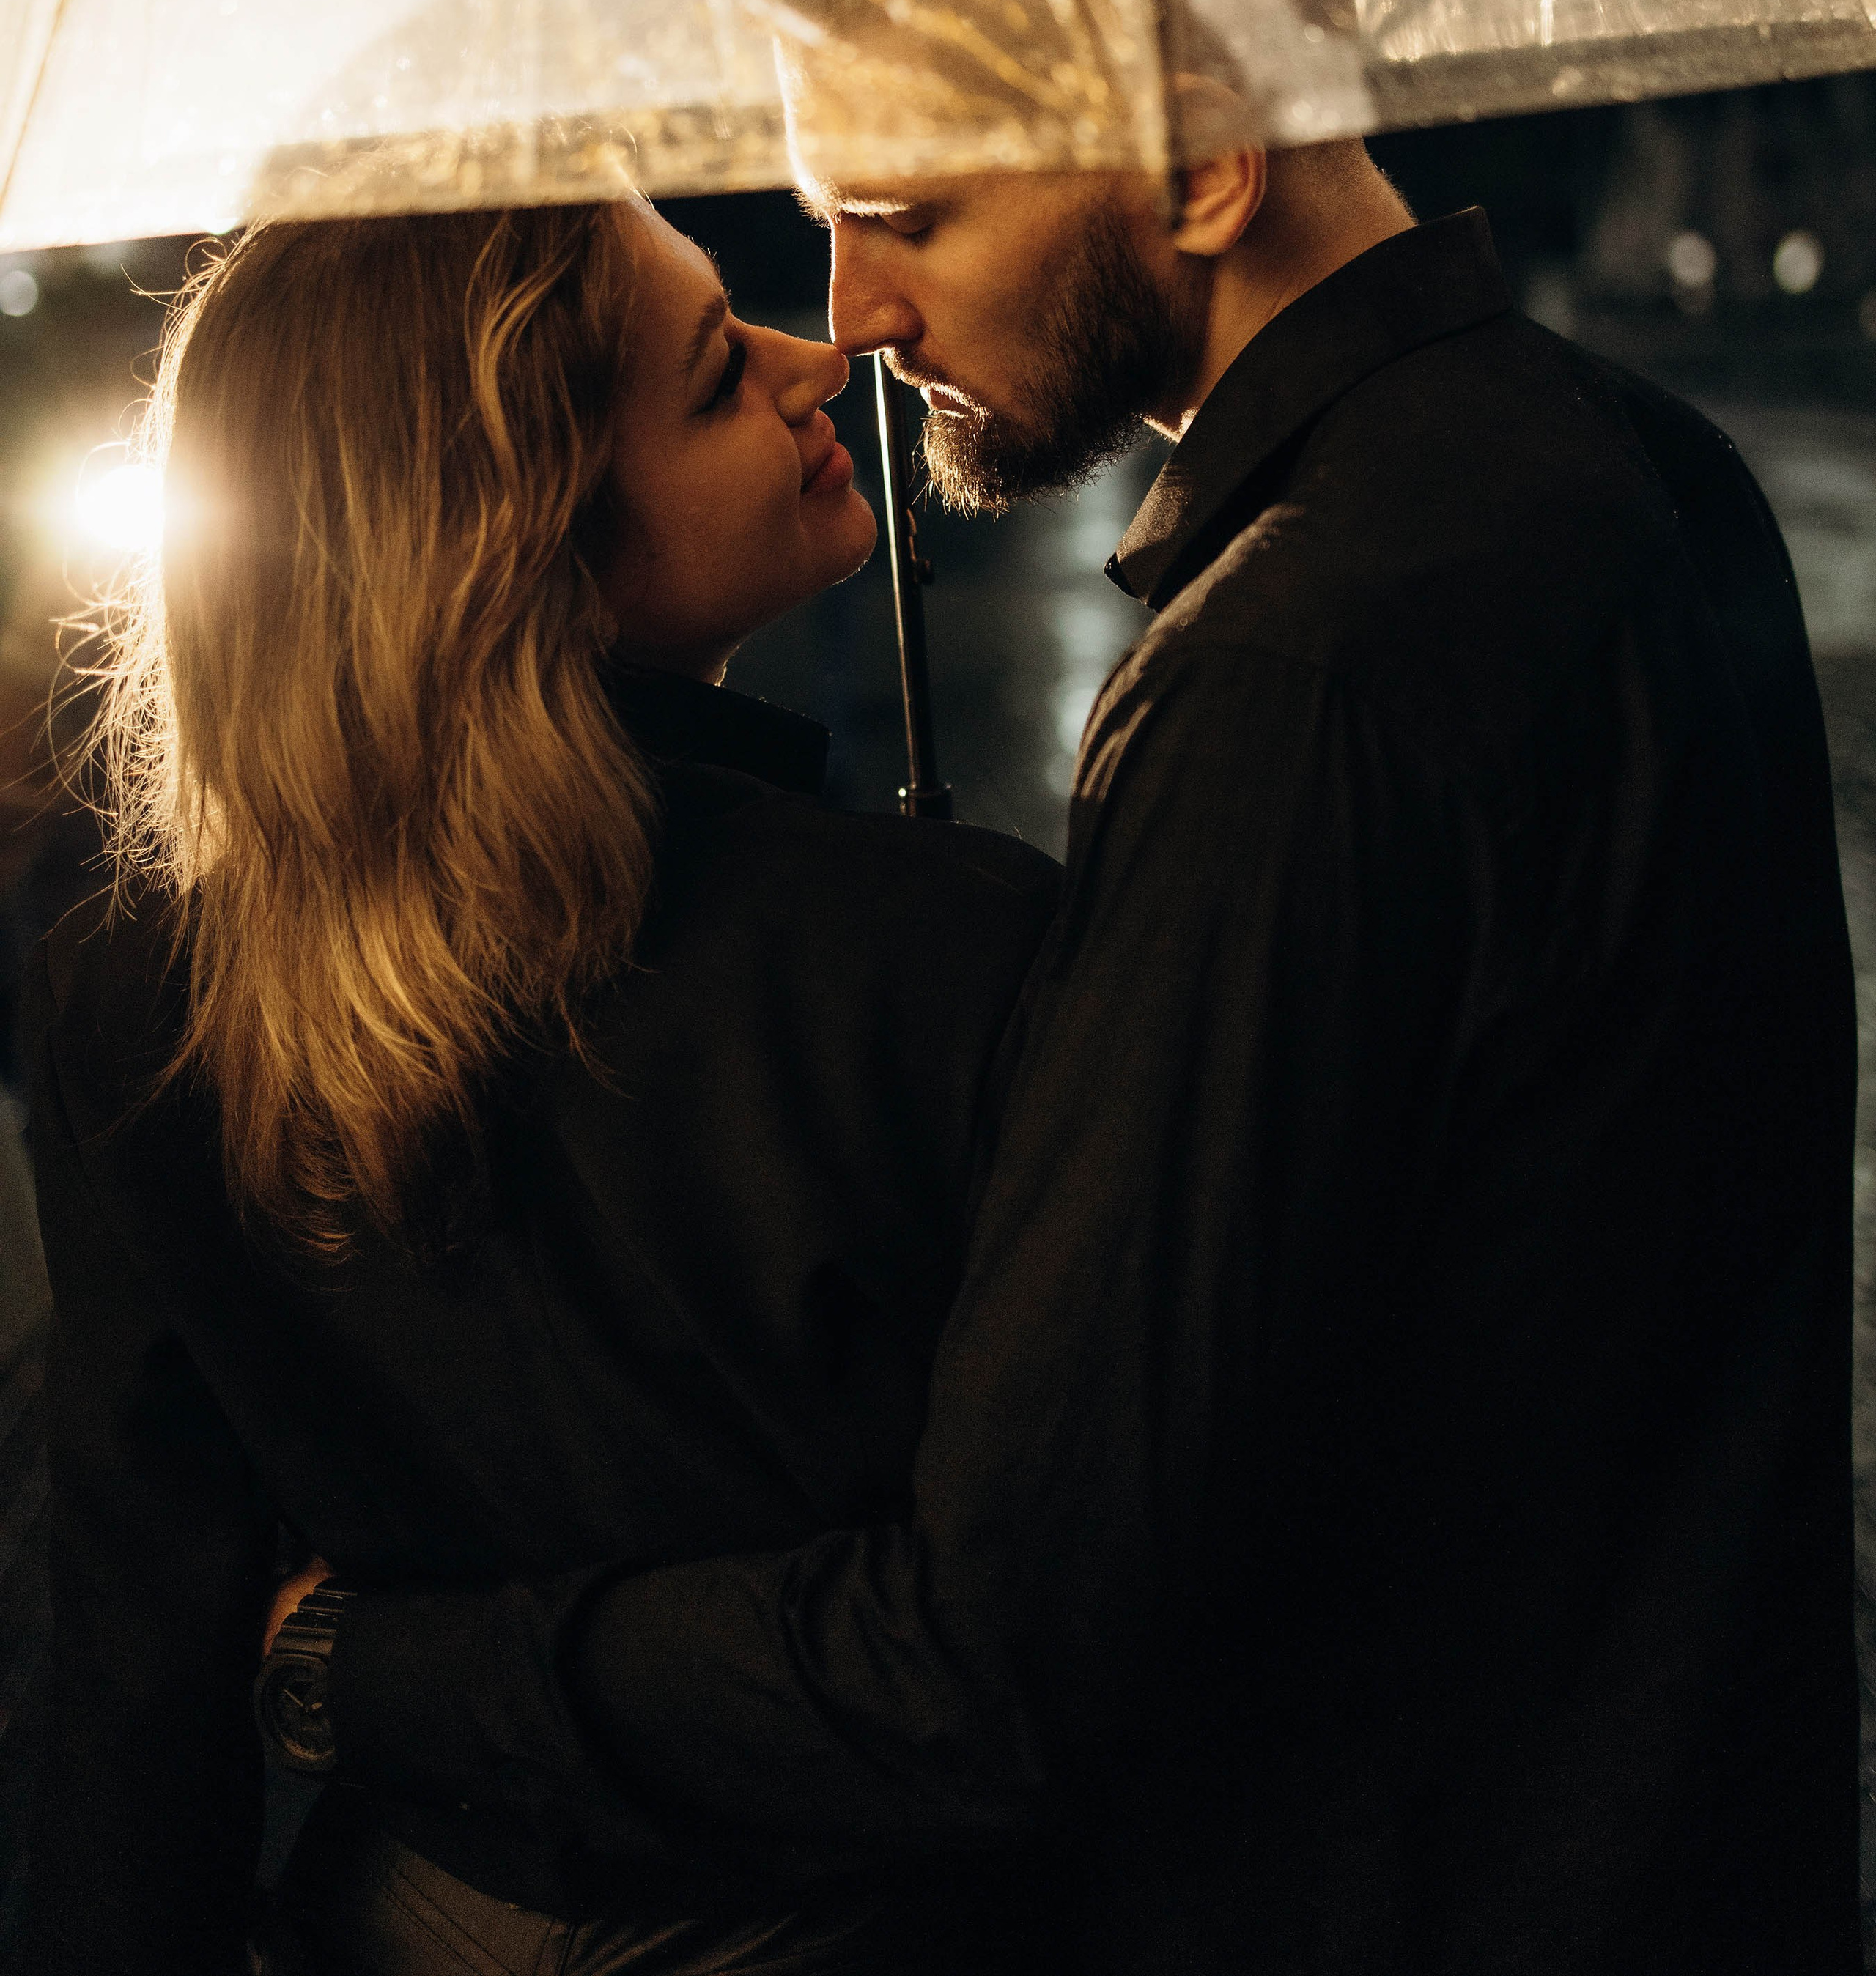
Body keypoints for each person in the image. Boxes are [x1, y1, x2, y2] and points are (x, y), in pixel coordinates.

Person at [280, 134, 1858, 1973]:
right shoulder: (1639, 459)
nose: (855, 313)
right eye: (825, 225)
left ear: (1196, 164)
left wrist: (369, 1668)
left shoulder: (1293, 665)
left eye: (909, 212)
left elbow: (1007, 1645)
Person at [21, 199, 1061, 1976]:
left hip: (409, 1916)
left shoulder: (142, 990)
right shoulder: (933, 954)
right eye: (721, 378)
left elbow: (130, 1636)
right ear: (529, 540)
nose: (828, 361)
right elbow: (1024, 1630)